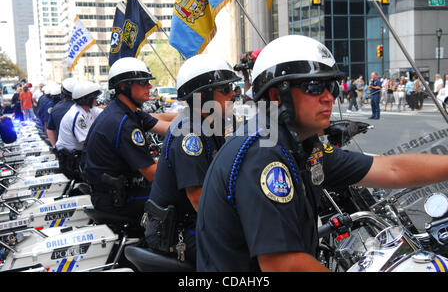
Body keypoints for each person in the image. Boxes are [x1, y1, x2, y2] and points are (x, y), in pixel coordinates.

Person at [195, 34, 448, 272]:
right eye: (315, 87)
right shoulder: (263, 153)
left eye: (332, 86)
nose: (329, 97)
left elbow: (391, 169)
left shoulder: (302, 144)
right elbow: (282, 264)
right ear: (276, 95)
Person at [144, 54, 239, 265]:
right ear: (203, 96)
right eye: (225, 90)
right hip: (176, 232)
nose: (233, 94)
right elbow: (198, 198)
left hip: (191, 222)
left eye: (233, 88)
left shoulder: (211, 123)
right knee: (242, 255)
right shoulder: (190, 134)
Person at [81, 57, 176, 221]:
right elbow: (152, 174)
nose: (149, 86)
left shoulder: (126, 111)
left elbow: (164, 124)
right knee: (179, 199)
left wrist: (197, 119)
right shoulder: (124, 124)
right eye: (143, 82)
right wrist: (182, 159)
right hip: (120, 199)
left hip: (114, 192)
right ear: (124, 86)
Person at [56, 81, 102, 181]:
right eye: (94, 98)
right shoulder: (77, 116)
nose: (96, 100)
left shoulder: (87, 110)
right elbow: (88, 142)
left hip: (78, 156)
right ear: (87, 100)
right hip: (71, 161)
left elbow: (105, 112)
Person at [46, 78, 77, 146]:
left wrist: (55, 147)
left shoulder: (56, 108)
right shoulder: (83, 106)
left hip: (63, 149)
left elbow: (50, 130)